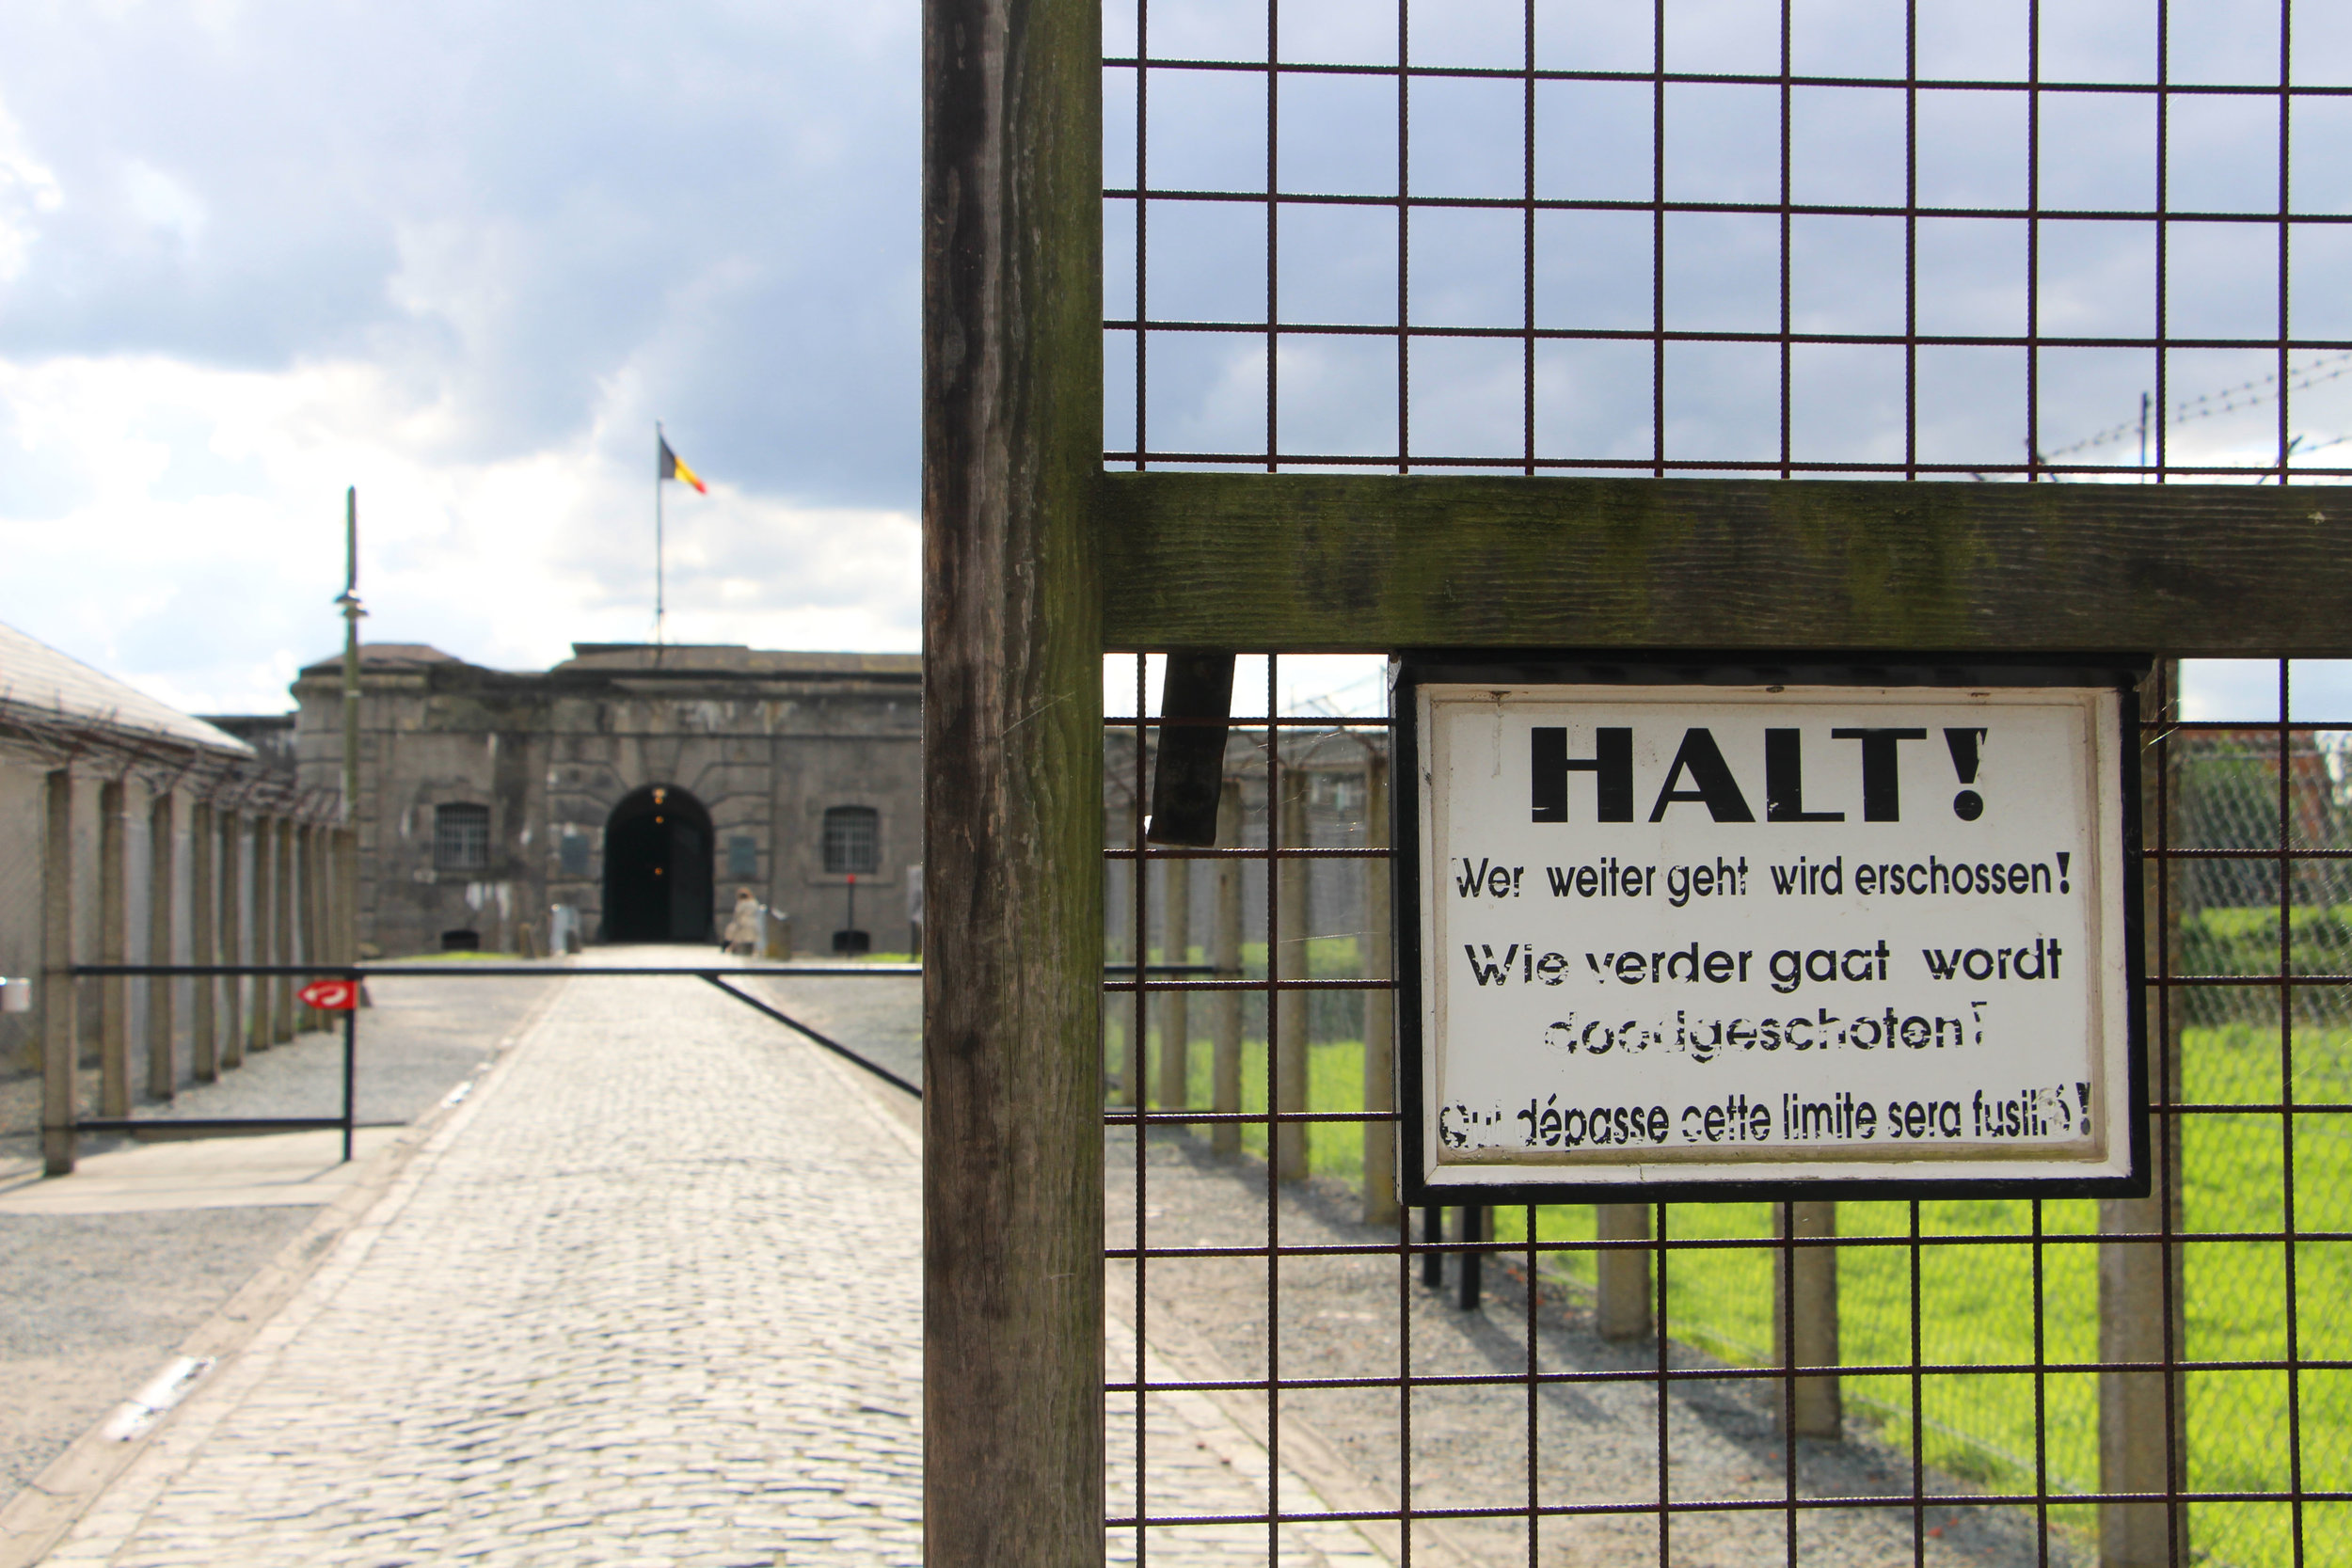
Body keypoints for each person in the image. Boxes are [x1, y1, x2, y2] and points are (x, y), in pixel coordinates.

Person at [723, 888, 766, 956]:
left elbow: (738, 913)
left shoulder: (742, 903)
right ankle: (751, 951)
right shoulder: (754, 902)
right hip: (753, 922)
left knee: (738, 937)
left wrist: (736, 921)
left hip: (743, 922)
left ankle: (734, 949)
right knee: (752, 939)